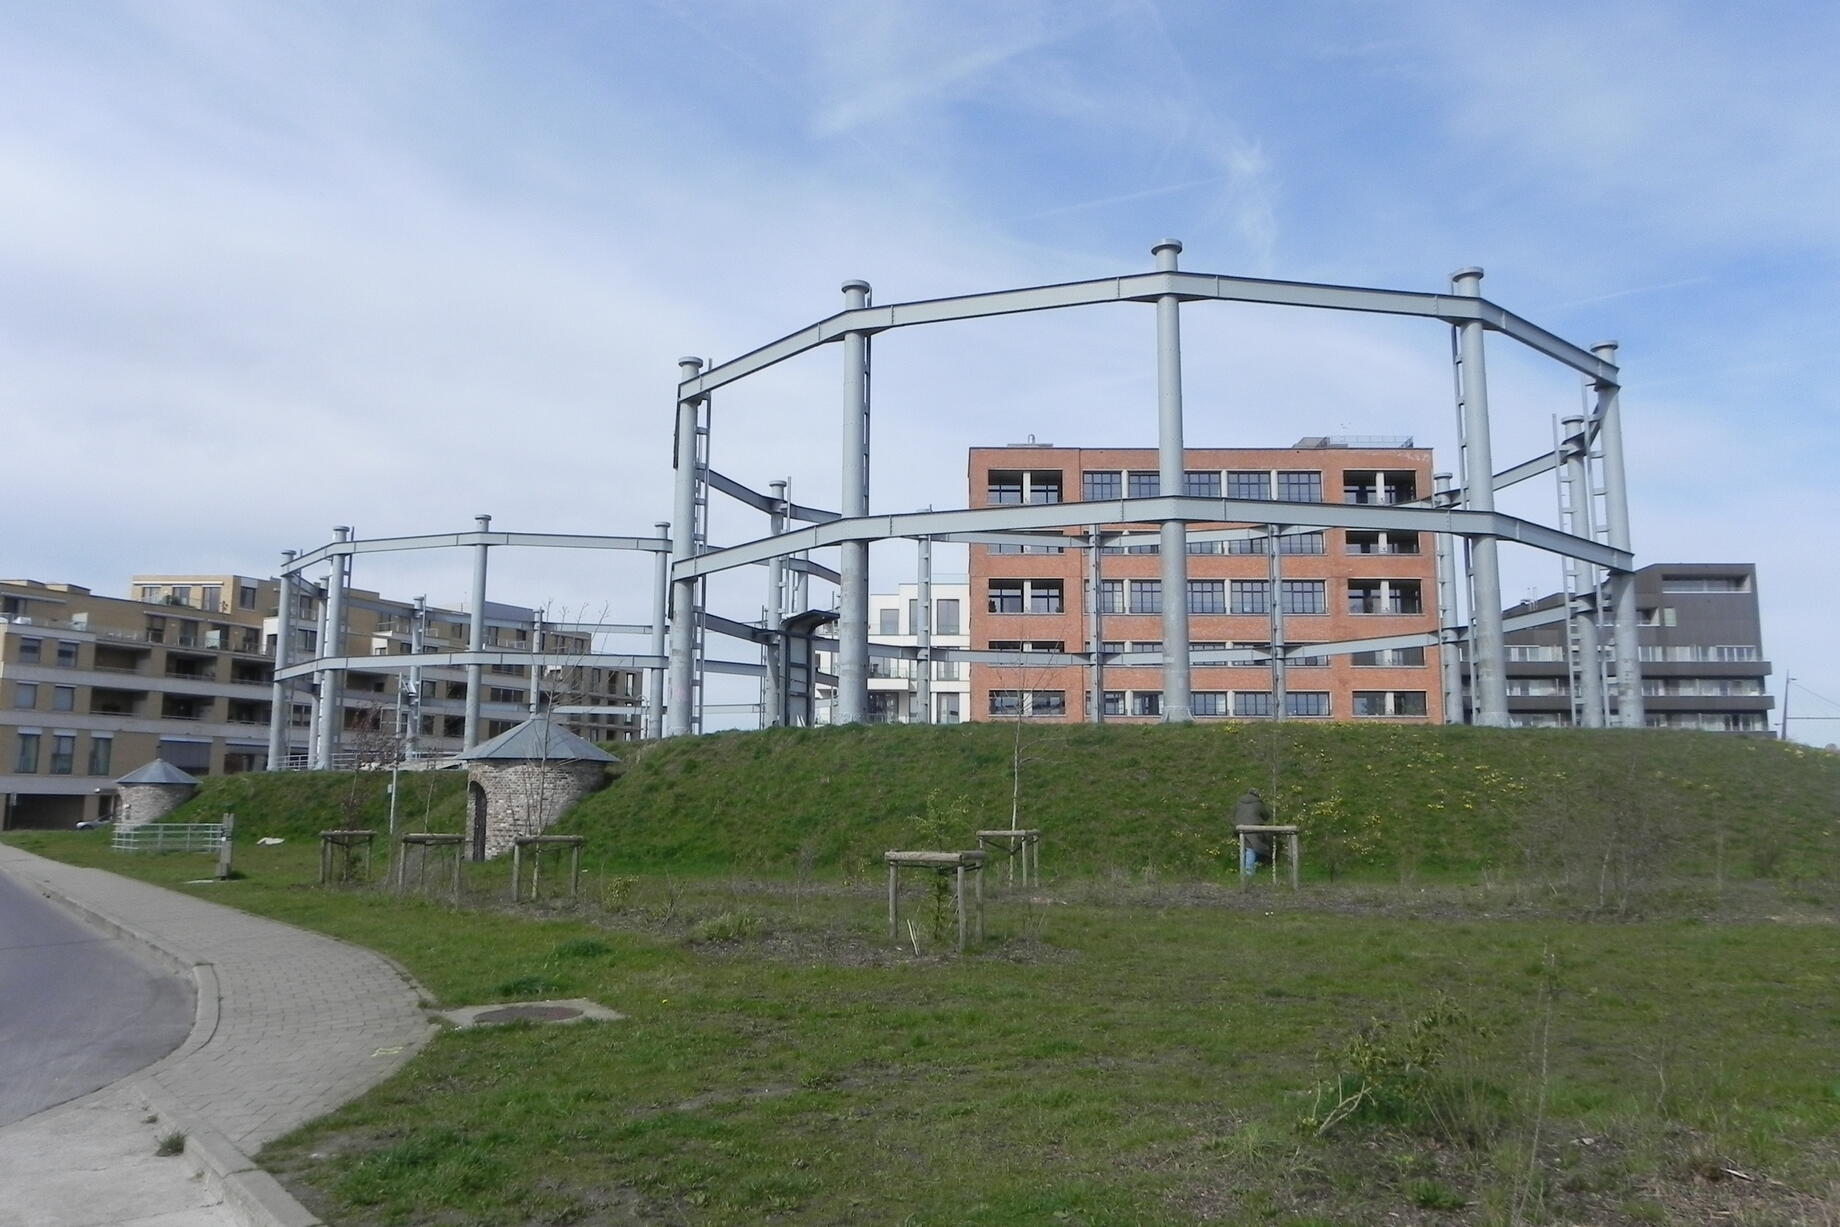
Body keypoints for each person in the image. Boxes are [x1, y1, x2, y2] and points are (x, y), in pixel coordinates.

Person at [1234, 788, 1273, 877]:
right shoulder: (1258, 803)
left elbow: (1234, 814)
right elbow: (1266, 816)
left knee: (1244, 849)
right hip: (1253, 829)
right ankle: (1248, 873)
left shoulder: (1239, 801)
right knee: (1251, 849)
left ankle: (1243, 872)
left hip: (1239, 827)